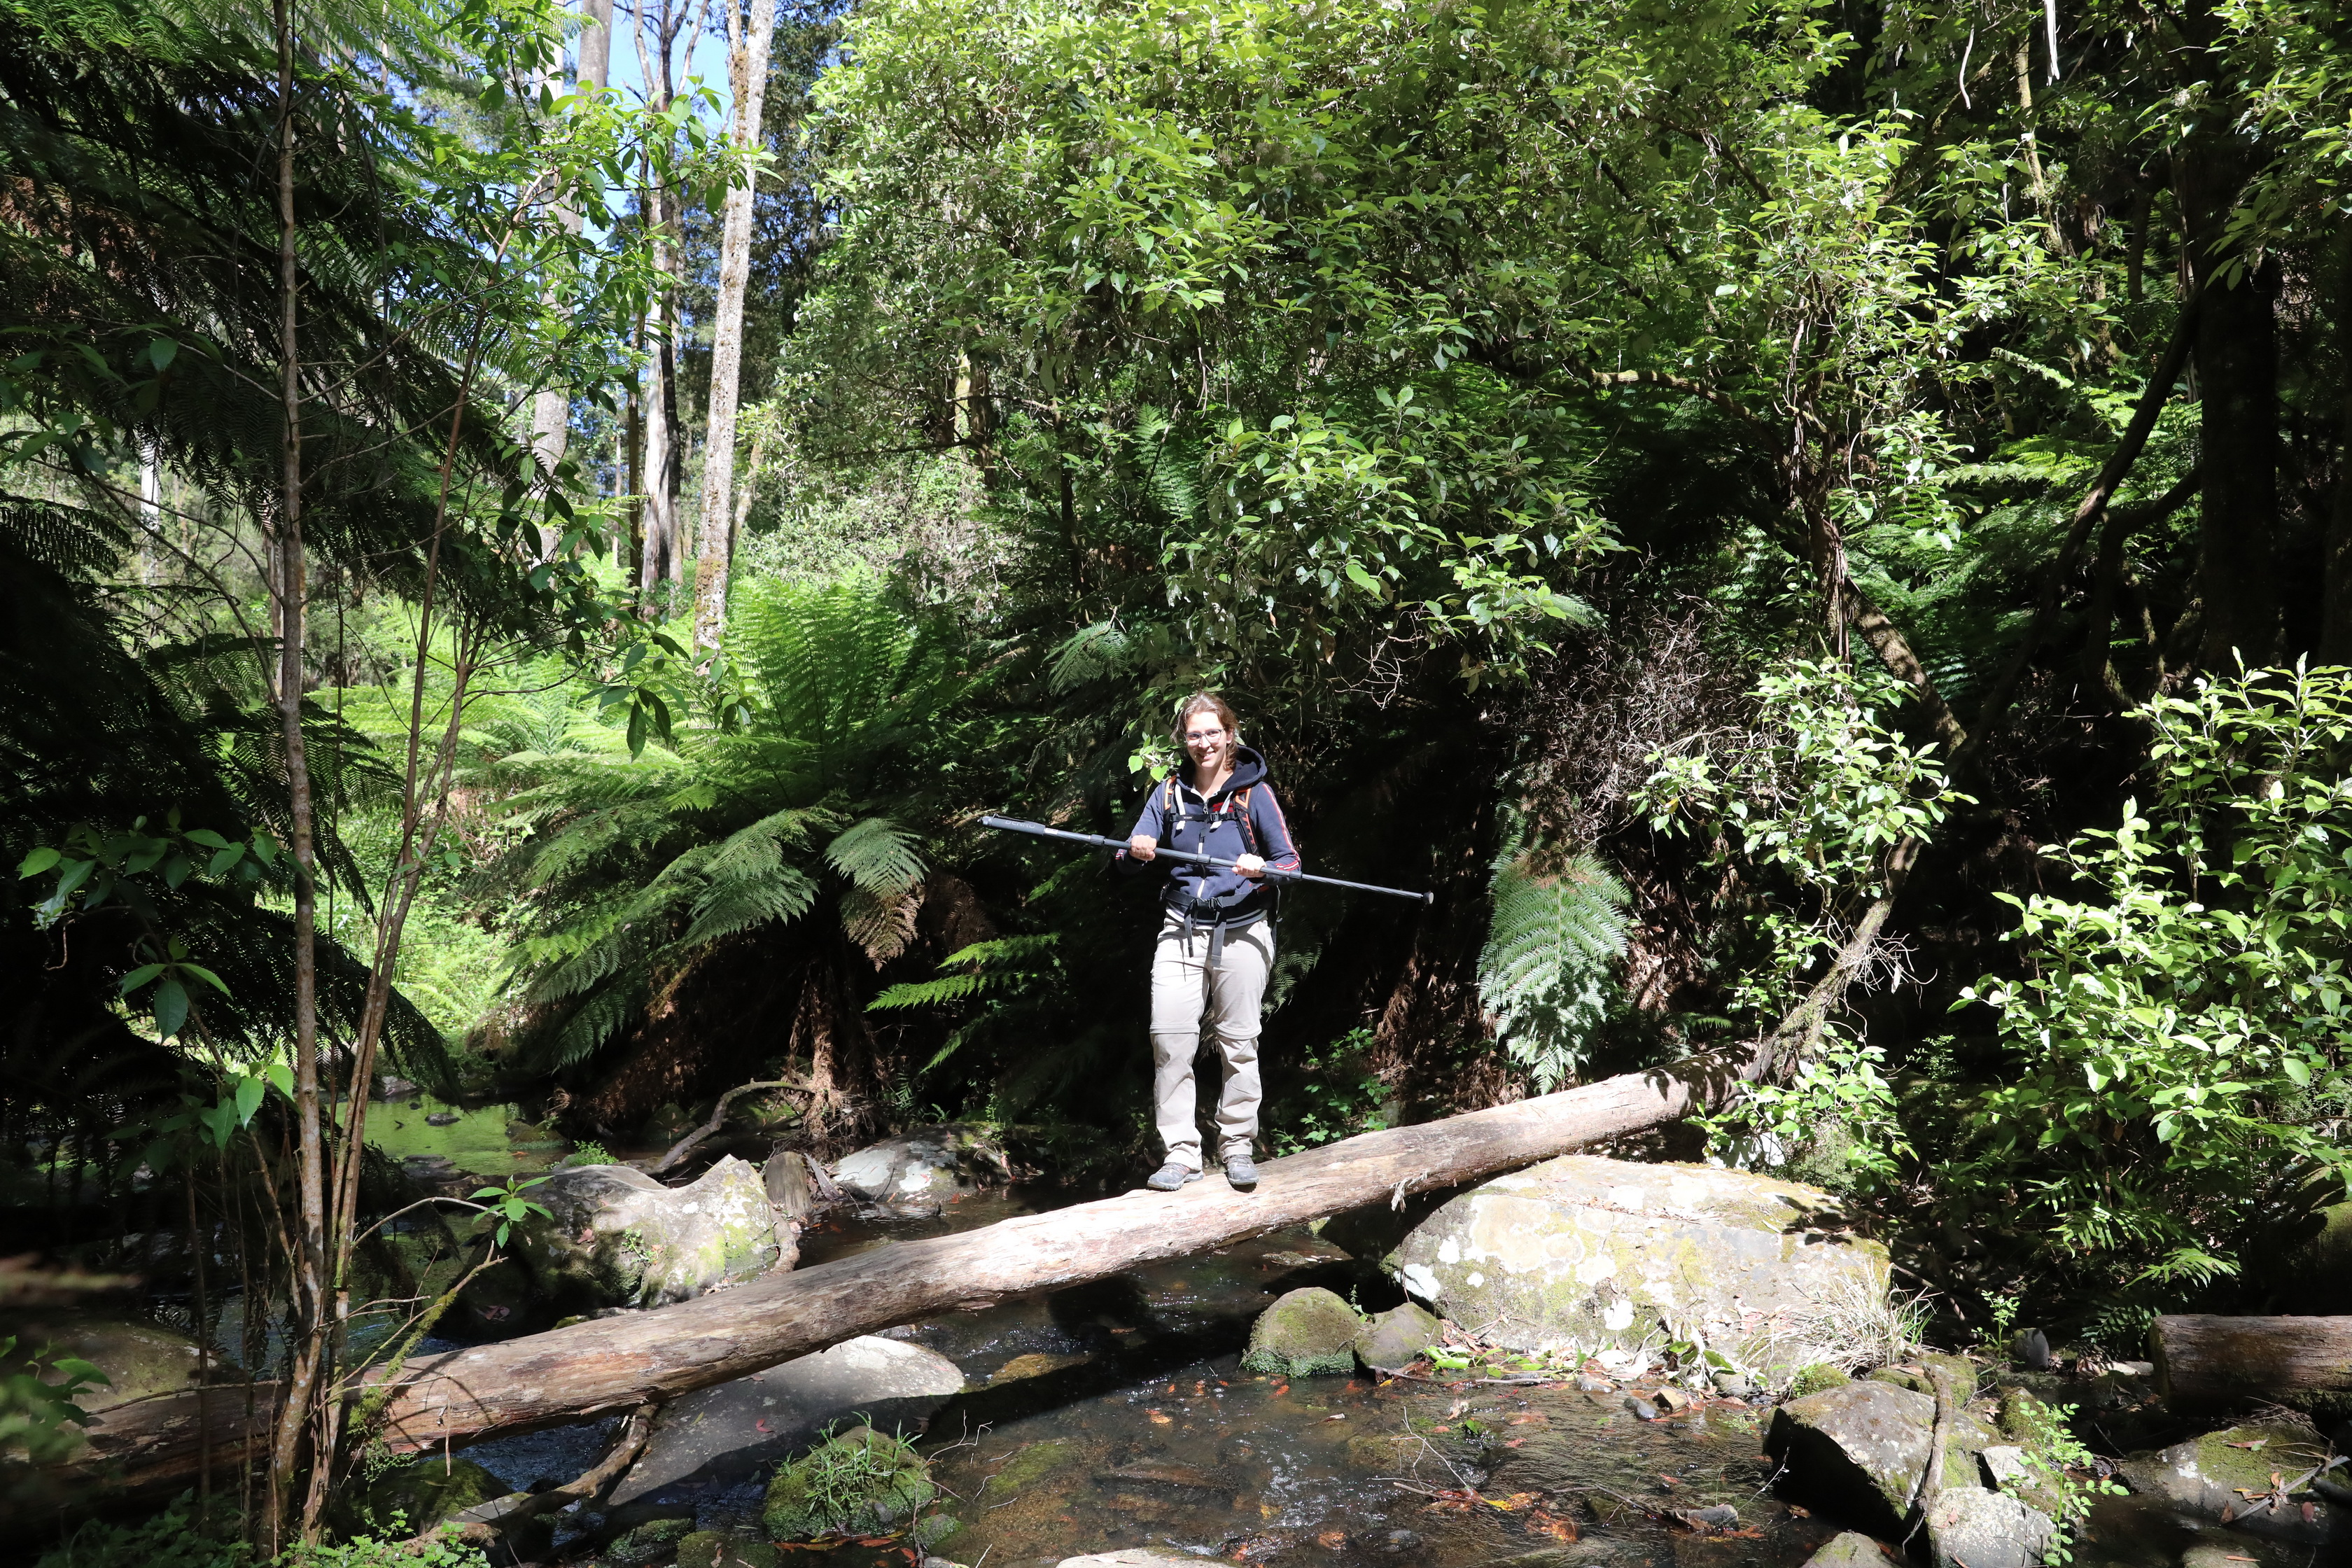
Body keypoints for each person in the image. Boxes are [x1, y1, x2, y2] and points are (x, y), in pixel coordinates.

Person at [1116, 692, 1301, 1192]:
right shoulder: (1168, 792)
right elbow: (1128, 861)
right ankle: (1181, 1153)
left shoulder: (1252, 793)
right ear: (1184, 738)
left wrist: (1261, 869)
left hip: (1243, 931)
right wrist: (1138, 851)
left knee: (1239, 1042)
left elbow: (1289, 864)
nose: (1203, 743)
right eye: (1194, 734)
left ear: (1228, 734)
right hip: (1180, 929)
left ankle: (1238, 1145)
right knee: (1170, 1040)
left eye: (1212, 733)